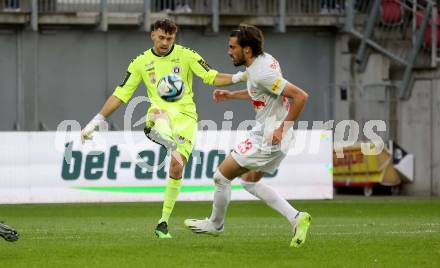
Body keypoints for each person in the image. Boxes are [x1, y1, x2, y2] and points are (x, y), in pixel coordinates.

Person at [81, 19, 245, 239]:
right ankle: (157, 132)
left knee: (177, 168)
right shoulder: (140, 62)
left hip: (186, 117)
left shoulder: (187, 55)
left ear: (174, 38)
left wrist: (240, 76)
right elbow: (121, 94)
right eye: (161, 37)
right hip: (160, 114)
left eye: (170, 38)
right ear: (152, 35)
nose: (166, 42)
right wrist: (95, 121)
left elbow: (210, 76)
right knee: (157, 116)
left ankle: (163, 222)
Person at [184, 24, 311, 248]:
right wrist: (231, 95)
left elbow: (300, 96)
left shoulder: (263, 72)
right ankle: (296, 218)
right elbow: (259, 91)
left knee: (221, 177)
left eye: (232, 47)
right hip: (276, 137)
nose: (229, 51)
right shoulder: (263, 63)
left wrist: (282, 129)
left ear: (247, 50)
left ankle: (215, 224)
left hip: (269, 137)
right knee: (250, 183)